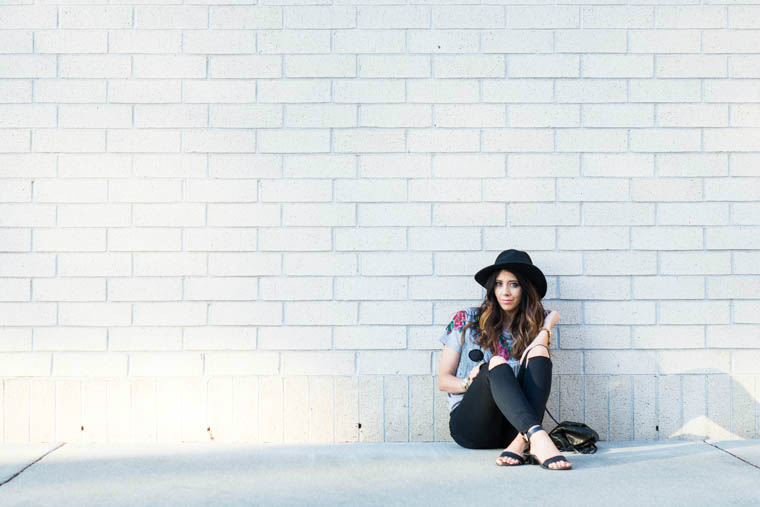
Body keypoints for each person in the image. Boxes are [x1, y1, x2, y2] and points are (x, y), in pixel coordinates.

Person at [436, 249, 572, 470]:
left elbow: (538, 359)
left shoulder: (533, 326)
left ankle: (522, 442)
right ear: (492, 288)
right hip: (472, 427)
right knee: (496, 363)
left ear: (526, 289)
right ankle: (539, 438)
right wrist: (468, 382)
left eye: (514, 284)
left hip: (515, 429)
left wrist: (547, 326)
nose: (505, 292)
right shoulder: (466, 321)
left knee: (539, 352)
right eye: (499, 284)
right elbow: (443, 380)